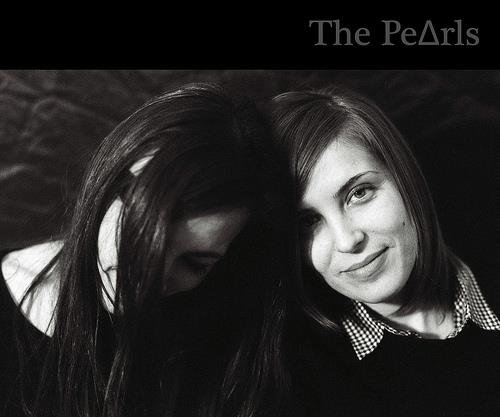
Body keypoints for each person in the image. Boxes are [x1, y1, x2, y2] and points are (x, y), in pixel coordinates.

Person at [0, 83, 291, 417]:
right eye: (140, 230)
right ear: (106, 182)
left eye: (194, 263)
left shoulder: (218, 346)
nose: (146, 277)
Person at [271, 86, 500, 417]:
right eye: (307, 222)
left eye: (359, 193)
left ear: (404, 177)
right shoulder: (301, 385)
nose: (347, 241)